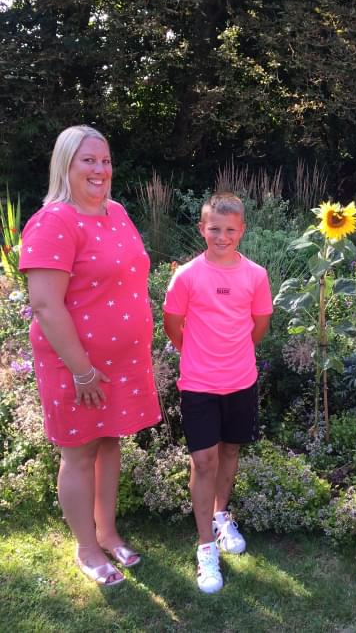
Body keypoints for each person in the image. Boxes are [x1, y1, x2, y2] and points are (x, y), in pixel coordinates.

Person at [19, 126, 162, 587]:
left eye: (105, 160)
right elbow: (45, 304)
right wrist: (82, 371)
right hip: (75, 365)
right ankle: (85, 547)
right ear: (66, 164)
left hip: (119, 363)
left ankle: (107, 532)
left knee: (109, 442)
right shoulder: (53, 221)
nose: (100, 170)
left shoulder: (116, 212)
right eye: (88, 161)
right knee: (78, 453)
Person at [163, 193, 272, 594]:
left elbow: (259, 326)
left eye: (230, 229)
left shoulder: (256, 275)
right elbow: (172, 326)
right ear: (202, 229)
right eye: (214, 229)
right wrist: (197, 352)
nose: (222, 236)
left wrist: (236, 353)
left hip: (241, 381)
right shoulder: (188, 276)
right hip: (198, 383)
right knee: (204, 460)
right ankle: (205, 546)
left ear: (242, 230)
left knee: (230, 451)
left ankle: (221, 515)